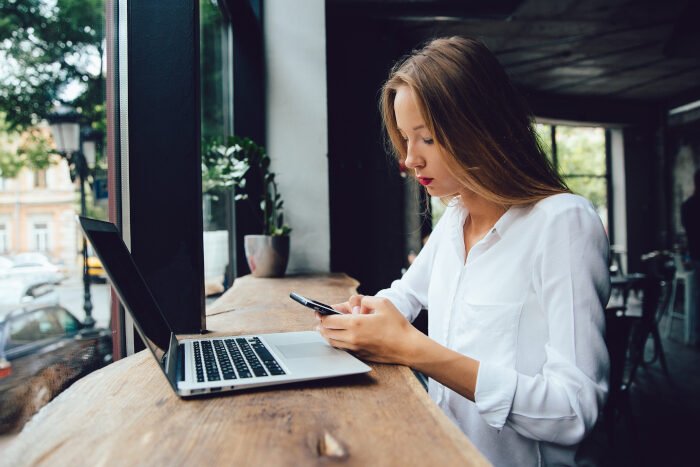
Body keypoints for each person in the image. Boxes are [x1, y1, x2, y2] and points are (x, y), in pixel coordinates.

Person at [316, 37, 610, 466]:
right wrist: (365, 312)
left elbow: (574, 410)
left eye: (428, 139)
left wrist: (412, 349)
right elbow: (406, 295)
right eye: (404, 139)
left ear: (483, 127)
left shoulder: (562, 223)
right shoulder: (456, 219)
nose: (410, 159)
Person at [681, 169, 700, 345]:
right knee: (696, 297)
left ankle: (694, 335)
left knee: (695, 296)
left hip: (694, 253)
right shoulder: (691, 205)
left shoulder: (687, 205)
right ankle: (694, 336)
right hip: (696, 254)